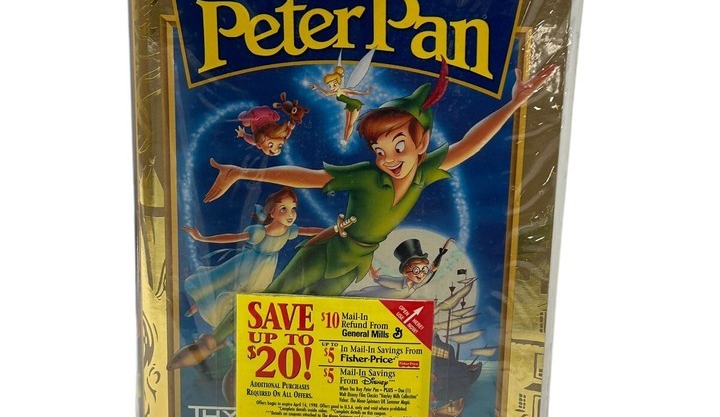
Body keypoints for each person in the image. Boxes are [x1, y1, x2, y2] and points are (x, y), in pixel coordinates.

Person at [202, 62, 556, 306]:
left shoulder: (423, 172)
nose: (388, 159)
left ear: (422, 142)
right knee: (273, 300)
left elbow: (469, 144)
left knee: (314, 313)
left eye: (398, 147)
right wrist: (246, 172)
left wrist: (514, 103)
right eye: (379, 151)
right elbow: (312, 178)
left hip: (355, 262)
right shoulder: (369, 176)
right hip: (325, 252)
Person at [169, 188, 323, 369]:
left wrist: (335, 229)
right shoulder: (260, 233)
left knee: (247, 299)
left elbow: (309, 230)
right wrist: (202, 238)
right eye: (283, 209)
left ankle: (228, 332)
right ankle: (204, 305)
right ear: (272, 212)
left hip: (264, 271)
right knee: (224, 283)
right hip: (247, 266)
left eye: (293, 209)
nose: (290, 214)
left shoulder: (289, 231)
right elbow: (232, 237)